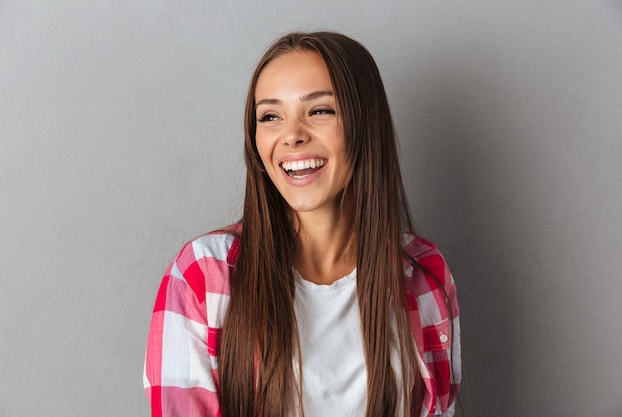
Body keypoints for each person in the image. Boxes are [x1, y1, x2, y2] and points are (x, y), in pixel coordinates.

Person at [144, 31, 461, 417]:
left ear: (366, 123)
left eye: (320, 110)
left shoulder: (424, 274)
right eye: (271, 116)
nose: (292, 135)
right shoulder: (200, 277)